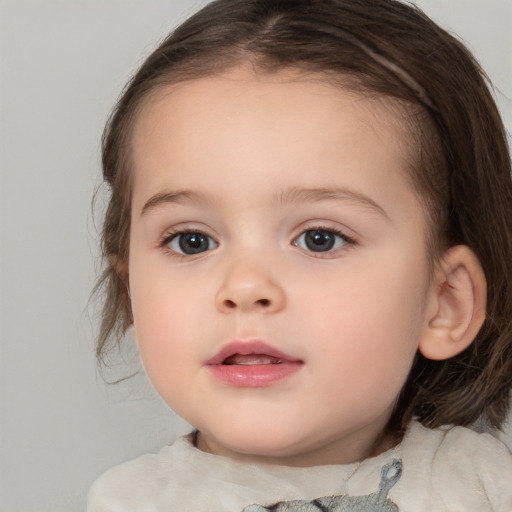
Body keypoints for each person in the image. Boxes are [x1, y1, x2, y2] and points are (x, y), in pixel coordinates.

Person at [87, 0, 512, 510]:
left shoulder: (486, 488)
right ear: (132, 287)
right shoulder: (129, 502)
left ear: (444, 301)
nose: (244, 286)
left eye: (320, 239)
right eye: (191, 240)